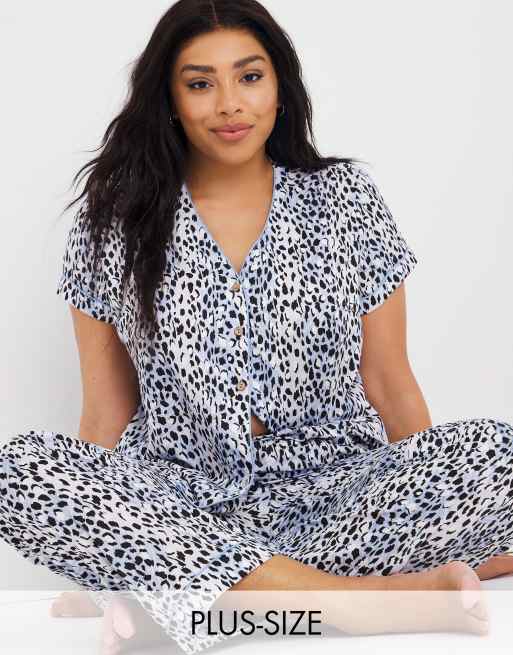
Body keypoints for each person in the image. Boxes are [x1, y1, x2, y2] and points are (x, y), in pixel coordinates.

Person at [2, 0, 513, 653]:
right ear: (170, 100)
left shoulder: (344, 199)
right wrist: (92, 538)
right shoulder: (113, 222)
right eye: (199, 84)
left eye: (249, 77)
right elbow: (104, 413)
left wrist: (436, 498)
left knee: (493, 453)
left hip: (333, 493)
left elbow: (389, 381)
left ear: (279, 87)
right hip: (176, 499)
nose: (229, 104)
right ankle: (354, 605)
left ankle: (190, 599)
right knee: (19, 470)